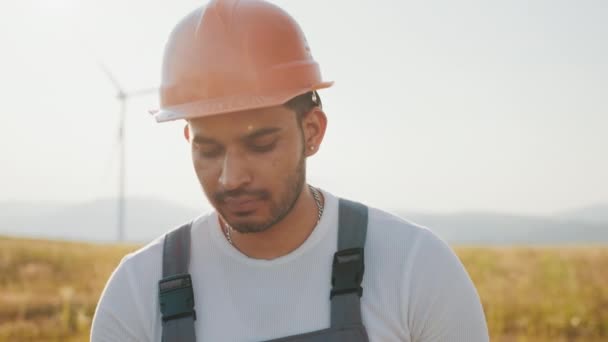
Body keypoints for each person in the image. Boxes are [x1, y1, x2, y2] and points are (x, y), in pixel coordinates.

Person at [91, 0, 490, 341]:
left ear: (312, 131)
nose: (231, 178)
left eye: (260, 145)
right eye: (208, 150)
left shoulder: (415, 269)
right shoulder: (137, 292)